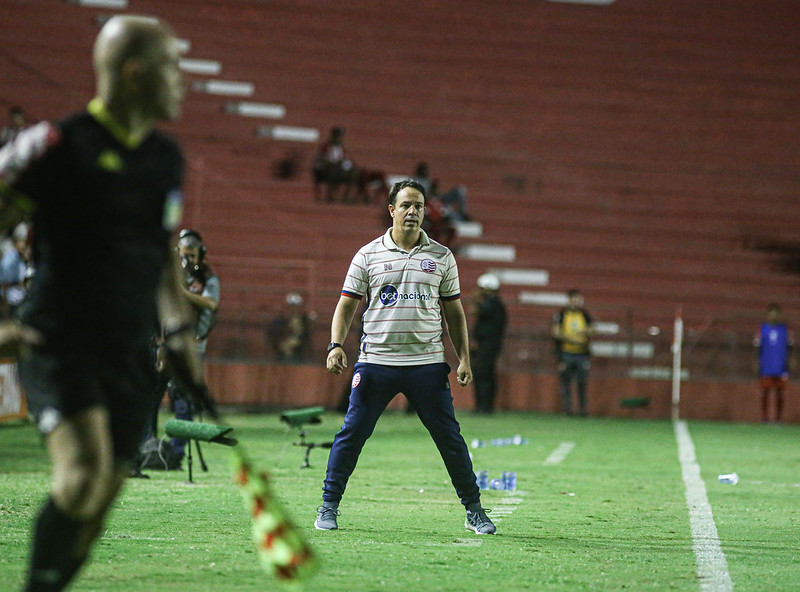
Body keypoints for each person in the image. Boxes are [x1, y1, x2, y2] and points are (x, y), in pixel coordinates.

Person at [0, 15, 212, 592]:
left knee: (101, 498)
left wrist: (177, 331)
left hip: (129, 349)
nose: (183, 81)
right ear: (137, 73)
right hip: (58, 339)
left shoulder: (165, 159)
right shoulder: (55, 146)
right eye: (173, 67)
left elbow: (161, 249)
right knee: (83, 475)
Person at [316, 179, 496, 535]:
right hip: (376, 361)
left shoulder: (442, 256)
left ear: (425, 211)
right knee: (352, 434)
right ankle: (328, 506)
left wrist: (464, 358)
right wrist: (335, 345)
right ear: (392, 210)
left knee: (449, 437)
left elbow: (455, 313)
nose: (413, 211)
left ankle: (474, 511)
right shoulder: (367, 255)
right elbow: (346, 305)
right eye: (406, 205)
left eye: (419, 206)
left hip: (426, 363)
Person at [167, 228, 220, 461]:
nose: (186, 259)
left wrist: (181, 293)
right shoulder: (168, 272)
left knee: (184, 401)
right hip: (163, 344)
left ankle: (177, 454)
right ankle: (145, 452)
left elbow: (211, 303)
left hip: (193, 346)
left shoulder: (207, 276)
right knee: (149, 398)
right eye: (183, 254)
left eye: (191, 255)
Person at [551, 289, 594, 417]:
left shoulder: (585, 315)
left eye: (578, 299)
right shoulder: (562, 315)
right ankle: (567, 411)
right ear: (569, 300)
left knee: (582, 383)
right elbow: (555, 332)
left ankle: (583, 411)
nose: (576, 302)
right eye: (573, 299)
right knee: (566, 383)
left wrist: (584, 333)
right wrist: (573, 339)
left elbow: (591, 330)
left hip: (582, 354)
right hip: (566, 353)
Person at [470, 273, 506, 414]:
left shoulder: (492, 304)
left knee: (482, 373)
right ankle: (485, 406)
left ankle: (483, 407)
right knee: (486, 374)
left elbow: (475, 310)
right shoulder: (497, 304)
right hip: (488, 344)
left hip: (488, 344)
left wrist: (475, 299)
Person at [753, 303, 794, 423]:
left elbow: (790, 346)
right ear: (767, 315)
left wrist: (791, 359)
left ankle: (778, 419)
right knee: (764, 392)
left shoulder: (786, 329)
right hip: (766, 365)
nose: (774, 316)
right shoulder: (762, 329)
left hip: (781, 365)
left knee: (780, 393)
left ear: (780, 315)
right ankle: (764, 418)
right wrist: (756, 361)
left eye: (776, 314)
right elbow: (757, 346)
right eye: (772, 314)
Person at [313, 126, 358, 202]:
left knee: (353, 170)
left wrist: (345, 160)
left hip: (339, 163)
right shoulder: (327, 145)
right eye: (337, 135)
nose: (338, 137)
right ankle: (330, 195)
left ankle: (346, 196)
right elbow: (322, 157)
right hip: (329, 164)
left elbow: (343, 156)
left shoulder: (340, 145)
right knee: (333, 171)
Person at [267, 291, 313, 363]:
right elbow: (274, 332)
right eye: (292, 306)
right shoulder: (280, 320)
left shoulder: (304, 320)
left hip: (298, 347)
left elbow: (304, 334)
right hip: (281, 345)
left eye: (296, 306)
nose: (294, 309)